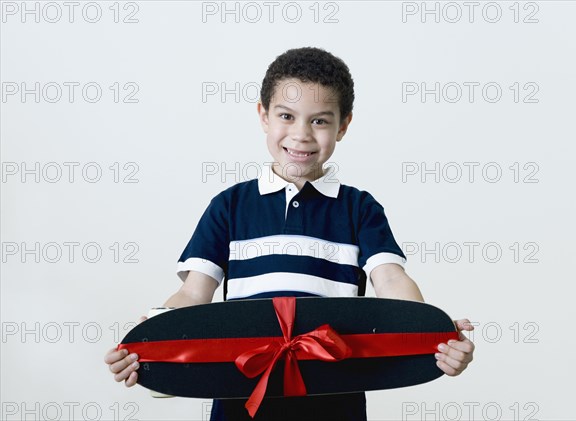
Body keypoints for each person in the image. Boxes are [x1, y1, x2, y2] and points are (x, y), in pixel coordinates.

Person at [104, 47, 475, 420]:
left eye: (319, 121)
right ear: (264, 116)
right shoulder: (230, 206)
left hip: (336, 397)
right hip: (240, 396)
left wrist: (433, 332)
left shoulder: (360, 208)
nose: (301, 135)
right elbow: (192, 293)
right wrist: (149, 340)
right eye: (286, 116)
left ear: (343, 125)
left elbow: (392, 280)